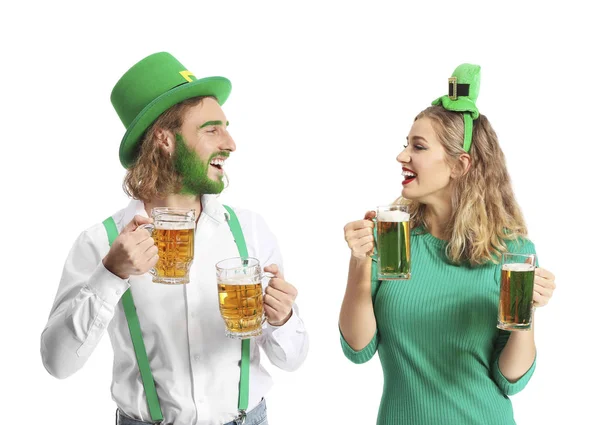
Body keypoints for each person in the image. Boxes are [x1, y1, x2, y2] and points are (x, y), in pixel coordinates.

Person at [41, 52, 309, 425]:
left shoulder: (248, 230)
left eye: (226, 127)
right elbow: (57, 363)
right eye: (212, 129)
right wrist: (110, 275)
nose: (230, 143)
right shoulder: (101, 241)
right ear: (165, 139)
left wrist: (283, 319)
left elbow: (292, 359)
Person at [339, 64, 556, 425]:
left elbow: (511, 378)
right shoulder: (391, 240)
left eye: (418, 147)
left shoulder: (513, 252)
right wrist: (360, 261)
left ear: (460, 165)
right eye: (406, 144)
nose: (402, 156)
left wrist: (527, 312)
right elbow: (358, 348)